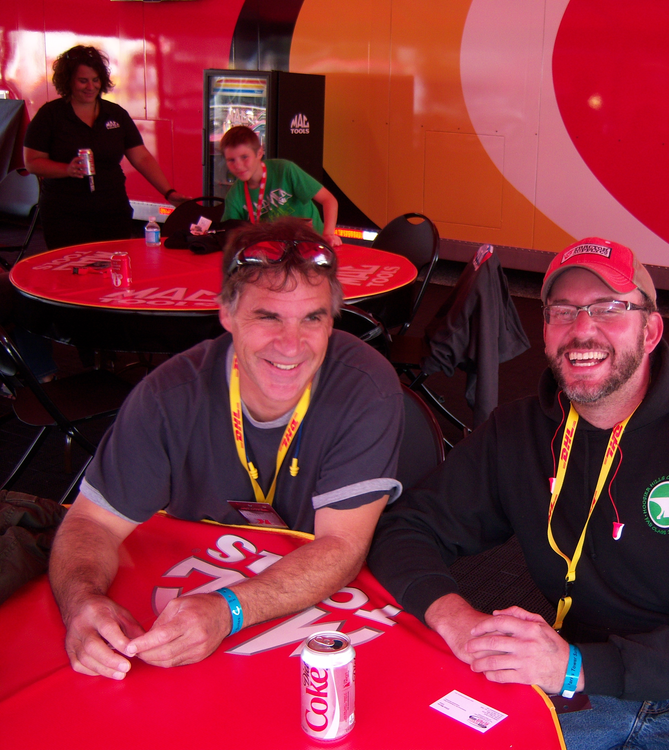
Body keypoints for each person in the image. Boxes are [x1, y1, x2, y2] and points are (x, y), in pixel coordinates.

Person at [368, 237, 669, 749]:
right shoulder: (518, 433)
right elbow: (406, 527)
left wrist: (574, 665)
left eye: (610, 308)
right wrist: (457, 620)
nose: (582, 329)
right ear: (546, 332)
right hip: (581, 689)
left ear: (651, 329)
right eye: (563, 311)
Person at [49, 218, 404, 680]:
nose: (291, 345)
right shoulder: (168, 395)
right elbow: (91, 521)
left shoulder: (365, 385)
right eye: (268, 316)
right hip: (193, 597)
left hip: (319, 616)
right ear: (227, 314)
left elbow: (342, 547)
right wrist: (82, 602)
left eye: (312, 318)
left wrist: (228, 610)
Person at [23, 45, 189, 250]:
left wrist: (168, 192)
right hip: (65, 212)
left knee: (113, 265)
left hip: (112, 209)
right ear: (68, 81)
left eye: (95, 80)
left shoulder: (115, 114)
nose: (90, 86)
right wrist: (66, 169)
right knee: (71, 272)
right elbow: (32, 162)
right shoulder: (50, 115)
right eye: (83, 80)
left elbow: (141, 158)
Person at [219, 125, 342, 247]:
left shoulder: (285, 170)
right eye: (231, 160)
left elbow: (329, 200)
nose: (238, 165)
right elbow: (229, 232)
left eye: (244, 157)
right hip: (275, 253)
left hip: (312, 245)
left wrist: (328, 234)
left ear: (259, 153)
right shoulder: (235, 194)